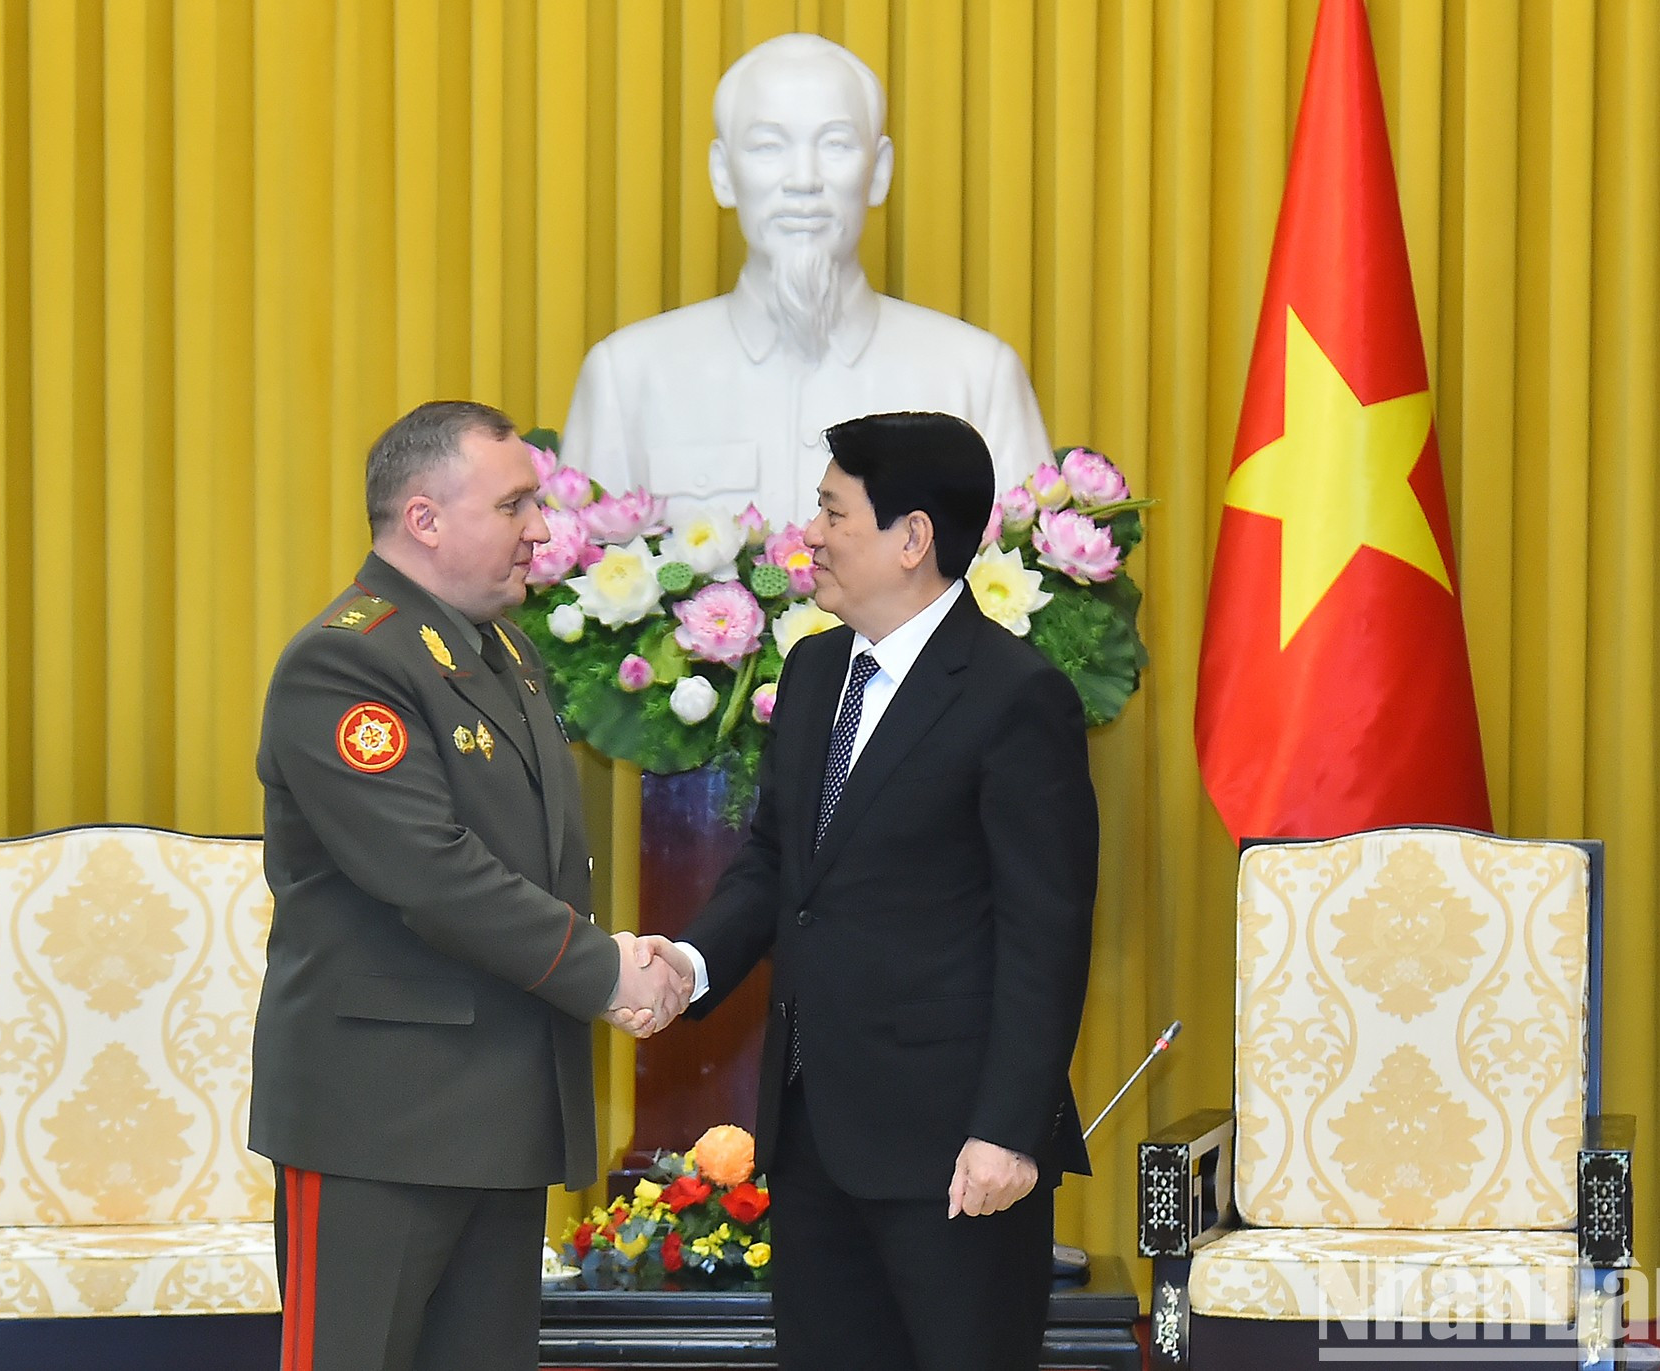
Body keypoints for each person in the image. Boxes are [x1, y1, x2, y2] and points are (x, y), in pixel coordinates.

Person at [644, 411, 1098, 1371]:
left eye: (832, 511)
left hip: (955, 1152)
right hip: (814, 1136)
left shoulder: (1014, 695)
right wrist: (688, 963)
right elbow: (778, 863)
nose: (809, 534)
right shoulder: (815, 669)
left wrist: (1008, 1132)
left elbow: (1045, 934)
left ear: (913, 537)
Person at [249, 400, 690, 1371]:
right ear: (424, 518)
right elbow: (430, 869)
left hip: (500, 1114)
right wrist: (605, 970)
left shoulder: (506, 654)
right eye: (513, 505)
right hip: (379, 1123)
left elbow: (530, 862)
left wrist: (612, 960)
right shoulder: (346, 659)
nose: (541, 529)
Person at [560, 33, 1053, 526]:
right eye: (768, 146)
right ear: (722, 173)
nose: (803, 180)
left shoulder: (977, 377)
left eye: (836, 144)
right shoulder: (627, 378)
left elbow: (1029, 564)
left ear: (879, 171)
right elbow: (575, 561)